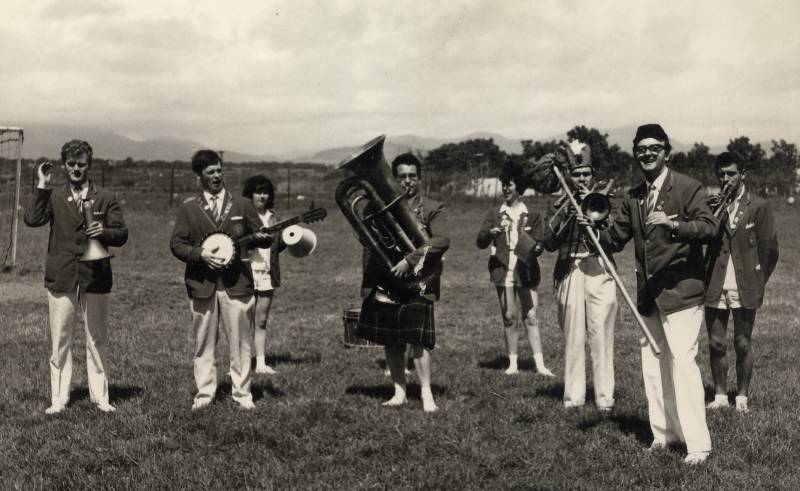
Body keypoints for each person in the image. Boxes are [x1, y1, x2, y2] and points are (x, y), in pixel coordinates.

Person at [598, 124, 716, 465]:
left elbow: (709, 228)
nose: (646, 154)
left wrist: (675, 225)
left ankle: (698, 445)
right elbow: (614, 238)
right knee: (653, 366)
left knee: (682, 362)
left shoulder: (688, 187)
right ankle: (663, 435)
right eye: (641, 149)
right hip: (648, 296)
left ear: (665, 151)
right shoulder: (634, 196)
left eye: (654, 148)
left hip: (682, 293)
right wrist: (592, 224)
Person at [24, 140, 128, 414]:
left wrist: (103, 231)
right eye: (71, 164)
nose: (76, 169)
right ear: (64, 166)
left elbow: (122, 234)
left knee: (97, 338)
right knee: (61, 339)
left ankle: (100, 396)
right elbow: (33, 220)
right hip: (63, 274)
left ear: (89, 165)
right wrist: (42, 186)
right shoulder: (56, 196)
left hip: (96, 276)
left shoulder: (105, 196)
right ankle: (59, 398)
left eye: (81, 164)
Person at [170, 150, 270, 410]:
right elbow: (176, 243)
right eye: (210, 172)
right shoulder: (189, 208)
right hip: (202, 285)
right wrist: (199, 254)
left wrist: (264, 237)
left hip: (237, 284)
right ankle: (204, 395)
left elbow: (263, 236)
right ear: (199, 177)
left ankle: (242, 394)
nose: (216, 176)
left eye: (219, 170)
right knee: (204, 343)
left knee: (241, 342)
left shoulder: (242, 205)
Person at [357, 152, 447, 412]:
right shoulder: (378, 207)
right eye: (401, 177)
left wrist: (410, 259)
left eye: (411, 176)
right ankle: (399, 392)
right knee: (392, 339)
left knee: (419, 340)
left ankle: (426, 394)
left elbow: (442, 241)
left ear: (419, 179)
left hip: (419, 279)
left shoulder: (432, 207)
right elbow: (366, 241)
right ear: (394, 180)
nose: (407, 181)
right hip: (388, 278)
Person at [543, 141, 617, 410]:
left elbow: (616, 238)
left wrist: (597, 218)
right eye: (577, 174)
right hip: (570, 270)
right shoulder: (560, 202)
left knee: (601, 335)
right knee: (573, 335)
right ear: (569, 176)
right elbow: (548, 242)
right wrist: (567, 214)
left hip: (599, 269)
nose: (582, 179)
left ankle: (605, 399)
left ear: (592, 174)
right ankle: (574, 398)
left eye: (586, 173)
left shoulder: (606, 198)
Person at [703, 152, 779, 414]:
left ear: (742, 175)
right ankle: (721, 395)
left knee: (742, 342)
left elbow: (770, 249)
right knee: (716, 342)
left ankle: (742, 397)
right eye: (721, 174)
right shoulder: (711, 204)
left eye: (731, 174)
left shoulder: (758, 205)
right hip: (714, 282)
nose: (725, 179)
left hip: (744, 284)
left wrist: (757, 280)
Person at [476, 159, 554, 377]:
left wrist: (537, 248)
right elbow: (479, 242)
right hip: (503, 271)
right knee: (509, 316)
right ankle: (513, 364)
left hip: (526, 271)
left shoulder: (533, 215)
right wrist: (489, 234)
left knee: (530, 316)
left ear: (519, 187)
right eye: (503, 184)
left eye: (509, 184)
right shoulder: (494, 214)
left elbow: (540, 243)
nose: (505, 189)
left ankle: (540, 365)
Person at [242, 175, 286, 375]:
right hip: (246, 273)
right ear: (250, 195)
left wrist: (291, 237)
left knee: (261, 321)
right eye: (258, 192)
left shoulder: (274, 218)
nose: (262, 196)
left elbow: (278, 248)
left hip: (268, 274)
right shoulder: (243, 216)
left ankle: (260, 363)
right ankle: (240, 363)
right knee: (243, 320)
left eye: (266, 192)